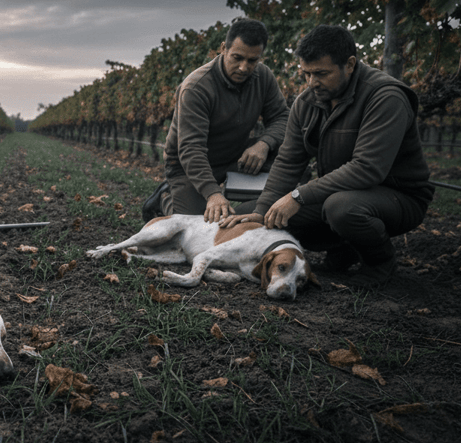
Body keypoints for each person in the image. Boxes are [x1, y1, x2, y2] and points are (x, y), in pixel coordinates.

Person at [223, 24, 434, 288]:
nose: (312, 83)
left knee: (342, 209)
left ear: (350, 64)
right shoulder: (307, 101)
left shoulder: (385, 97)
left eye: (321, 74)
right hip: (340, 192)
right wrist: (264, 208)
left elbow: (367, 168)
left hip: (398, 197)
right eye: (306, 74)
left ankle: (380, 262)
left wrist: (298, 196)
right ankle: (345, 245)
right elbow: (289, 160)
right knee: (253, 213)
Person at [149, 18, 289, 223]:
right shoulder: (196, 88)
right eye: (237, 58)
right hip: (188, 166)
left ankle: (251, 211)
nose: (243, 67)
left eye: (252, 61)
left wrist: (264, 143)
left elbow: (282, 117)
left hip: (235, 156)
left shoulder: (263, 76)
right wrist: (213, 194)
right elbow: (191, 149)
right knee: (196, 226)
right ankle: (164, 199)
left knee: (290, 160)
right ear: (223, 48)